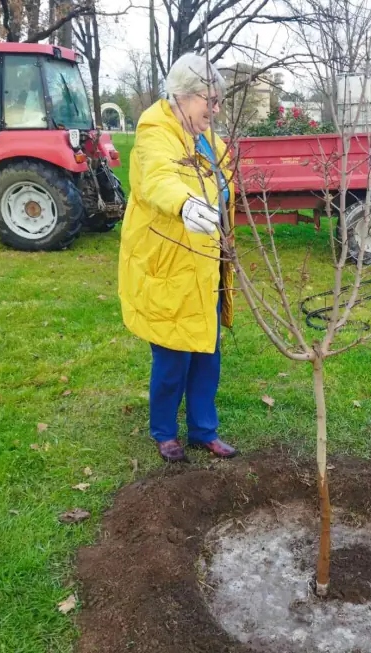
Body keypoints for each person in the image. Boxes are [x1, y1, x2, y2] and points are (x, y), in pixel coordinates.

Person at [117, 53, 237, 463]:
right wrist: (185, 204)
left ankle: (205, 430)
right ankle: (165, 433)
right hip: (170, 263)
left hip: (207, 265)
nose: (216, 109)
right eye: (211, 100)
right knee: (172, 357)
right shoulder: (157, 131)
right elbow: (157, 180)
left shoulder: (211, 140)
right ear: (184, 96)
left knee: (207, 352)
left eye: (218, 100)